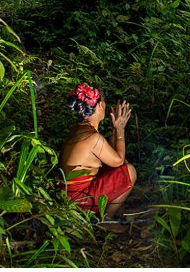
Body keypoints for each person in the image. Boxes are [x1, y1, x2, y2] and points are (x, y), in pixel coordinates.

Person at [58, 83, 137, 227]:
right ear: (100, 106)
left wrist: (116, 129)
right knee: (129, 171)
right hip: (79, 199)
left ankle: (114, 212)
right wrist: (120, 129)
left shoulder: (78, 130)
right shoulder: (93, 138)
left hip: (68, 195)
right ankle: (105, 221)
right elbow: (118, 161)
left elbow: (112, 157)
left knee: (121, 168)